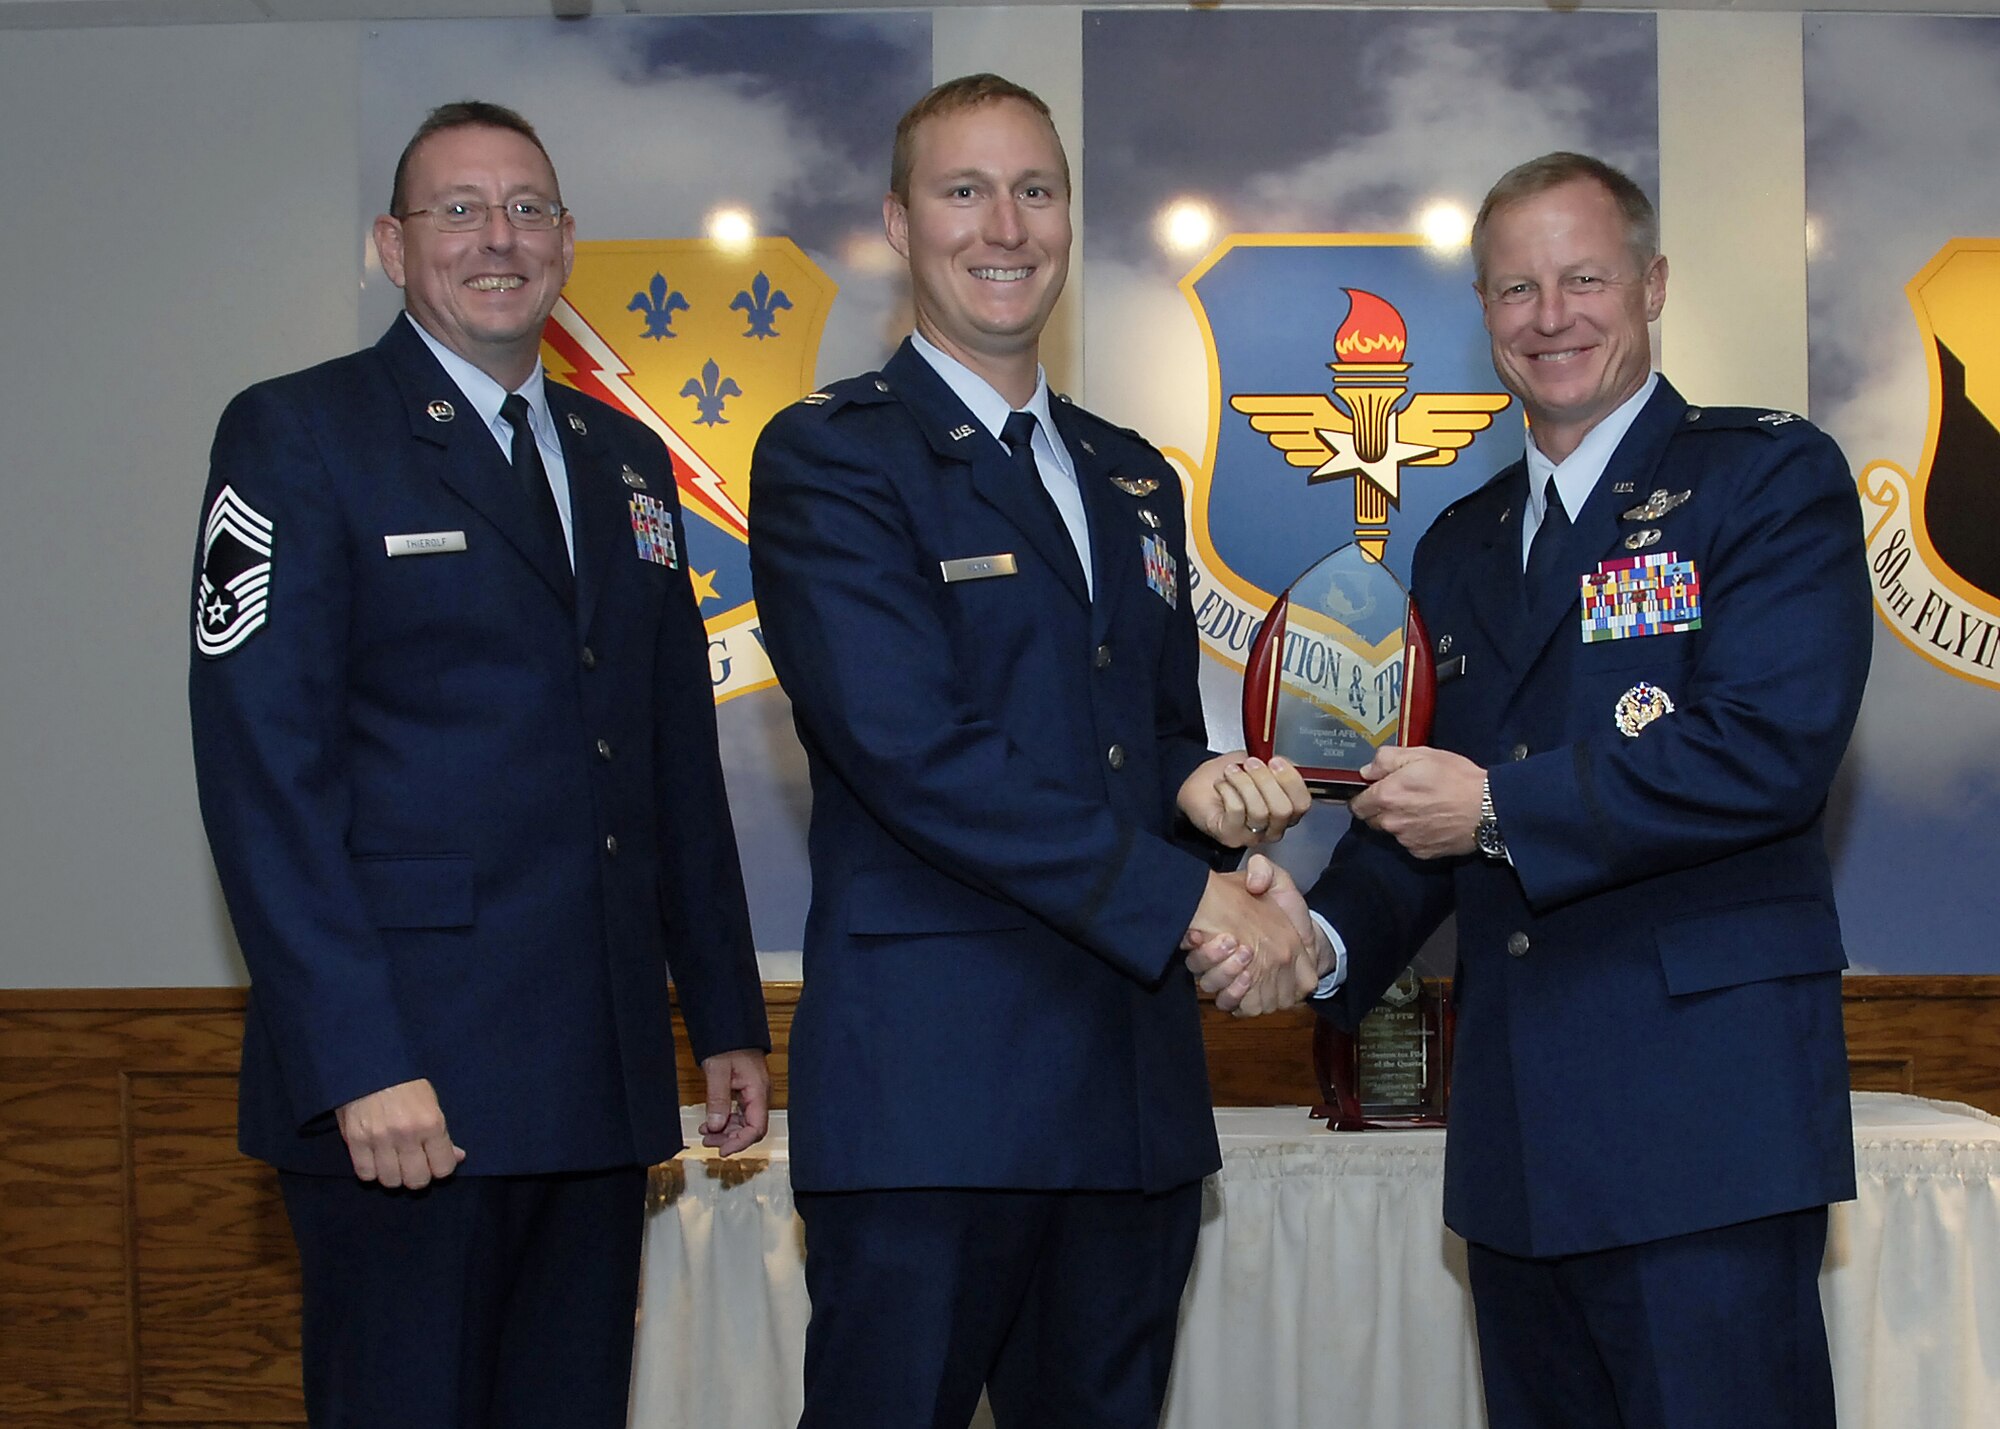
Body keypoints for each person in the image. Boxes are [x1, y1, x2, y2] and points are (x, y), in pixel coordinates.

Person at [1192, 152, 1871, 1429]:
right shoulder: (1456, 543)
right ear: (1483, 314)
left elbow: (1764, 753)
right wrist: (1316, 937)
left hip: (1703, 1136)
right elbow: (1414, 817)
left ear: (1651, 284)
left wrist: (1498, 806)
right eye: (1514, 288)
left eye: (1580, 278)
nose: (1548, 315)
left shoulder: (1763, 479)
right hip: (1516, 1146)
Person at [188, 100, 770, 1429]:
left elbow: (670, 747)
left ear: (565, 239)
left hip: (594, 1075)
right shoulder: (299, 436)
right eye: (458, 210)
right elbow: (263, 780)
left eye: (526, 208)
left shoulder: (624, 459)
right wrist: (355, 1062)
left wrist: (724, 1009)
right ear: (394, 246)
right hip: (407, 1091)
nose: (496, 238)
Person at [748, 73, 1312, 1429]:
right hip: (931, 1099)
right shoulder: (833, 461)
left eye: (1036, 190)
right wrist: (1191, 899)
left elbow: (1151, 732)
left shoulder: (1132, 475)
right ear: (899, 221)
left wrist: (1206, 791)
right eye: (964, 190)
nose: (1005, 225)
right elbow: (914, 750)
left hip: (1125, 1093)